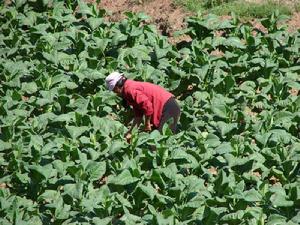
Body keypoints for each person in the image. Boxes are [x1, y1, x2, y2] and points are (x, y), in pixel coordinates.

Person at [105, 71, 180, 142]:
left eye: (114, 89)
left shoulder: (130, 89)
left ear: (118, 85)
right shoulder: (128, 89)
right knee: (157, 139)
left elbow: (148, 107)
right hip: (168, 106)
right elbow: (138, 115)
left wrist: (147, 124)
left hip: (168, 107)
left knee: (160, 141)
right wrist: (131, 132)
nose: (115, 92)